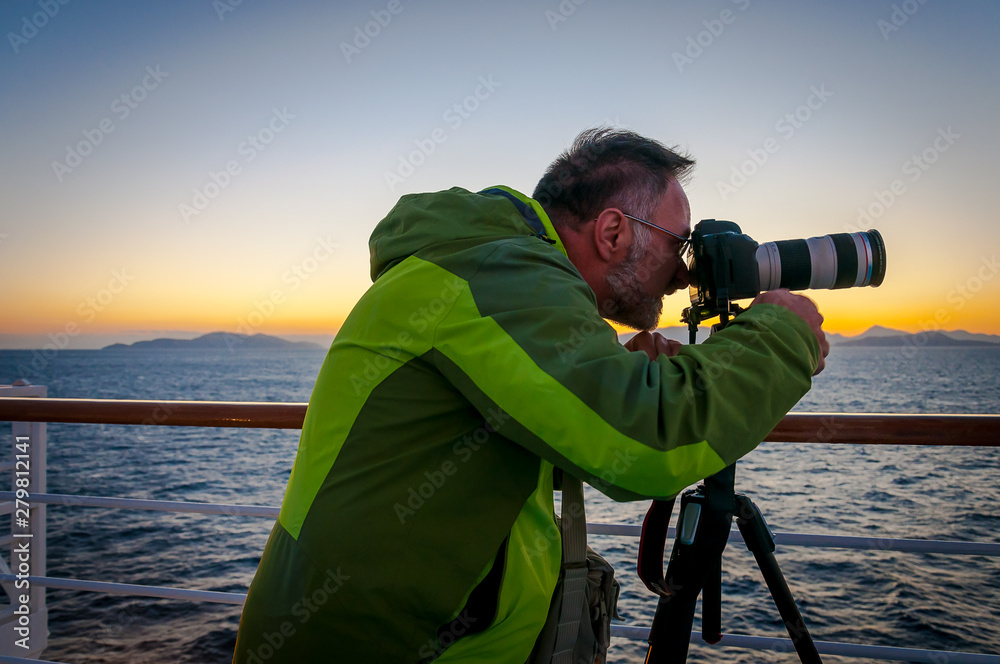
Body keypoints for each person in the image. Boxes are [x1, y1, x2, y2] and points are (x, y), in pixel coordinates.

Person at [233, 128, 828, 663]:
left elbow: (529, 414)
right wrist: (780, 334)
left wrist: (614, 373)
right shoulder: (498, 270)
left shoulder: (496, 267)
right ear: (614, 231)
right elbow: (646, 440)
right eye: (677, 244)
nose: (682, 274)